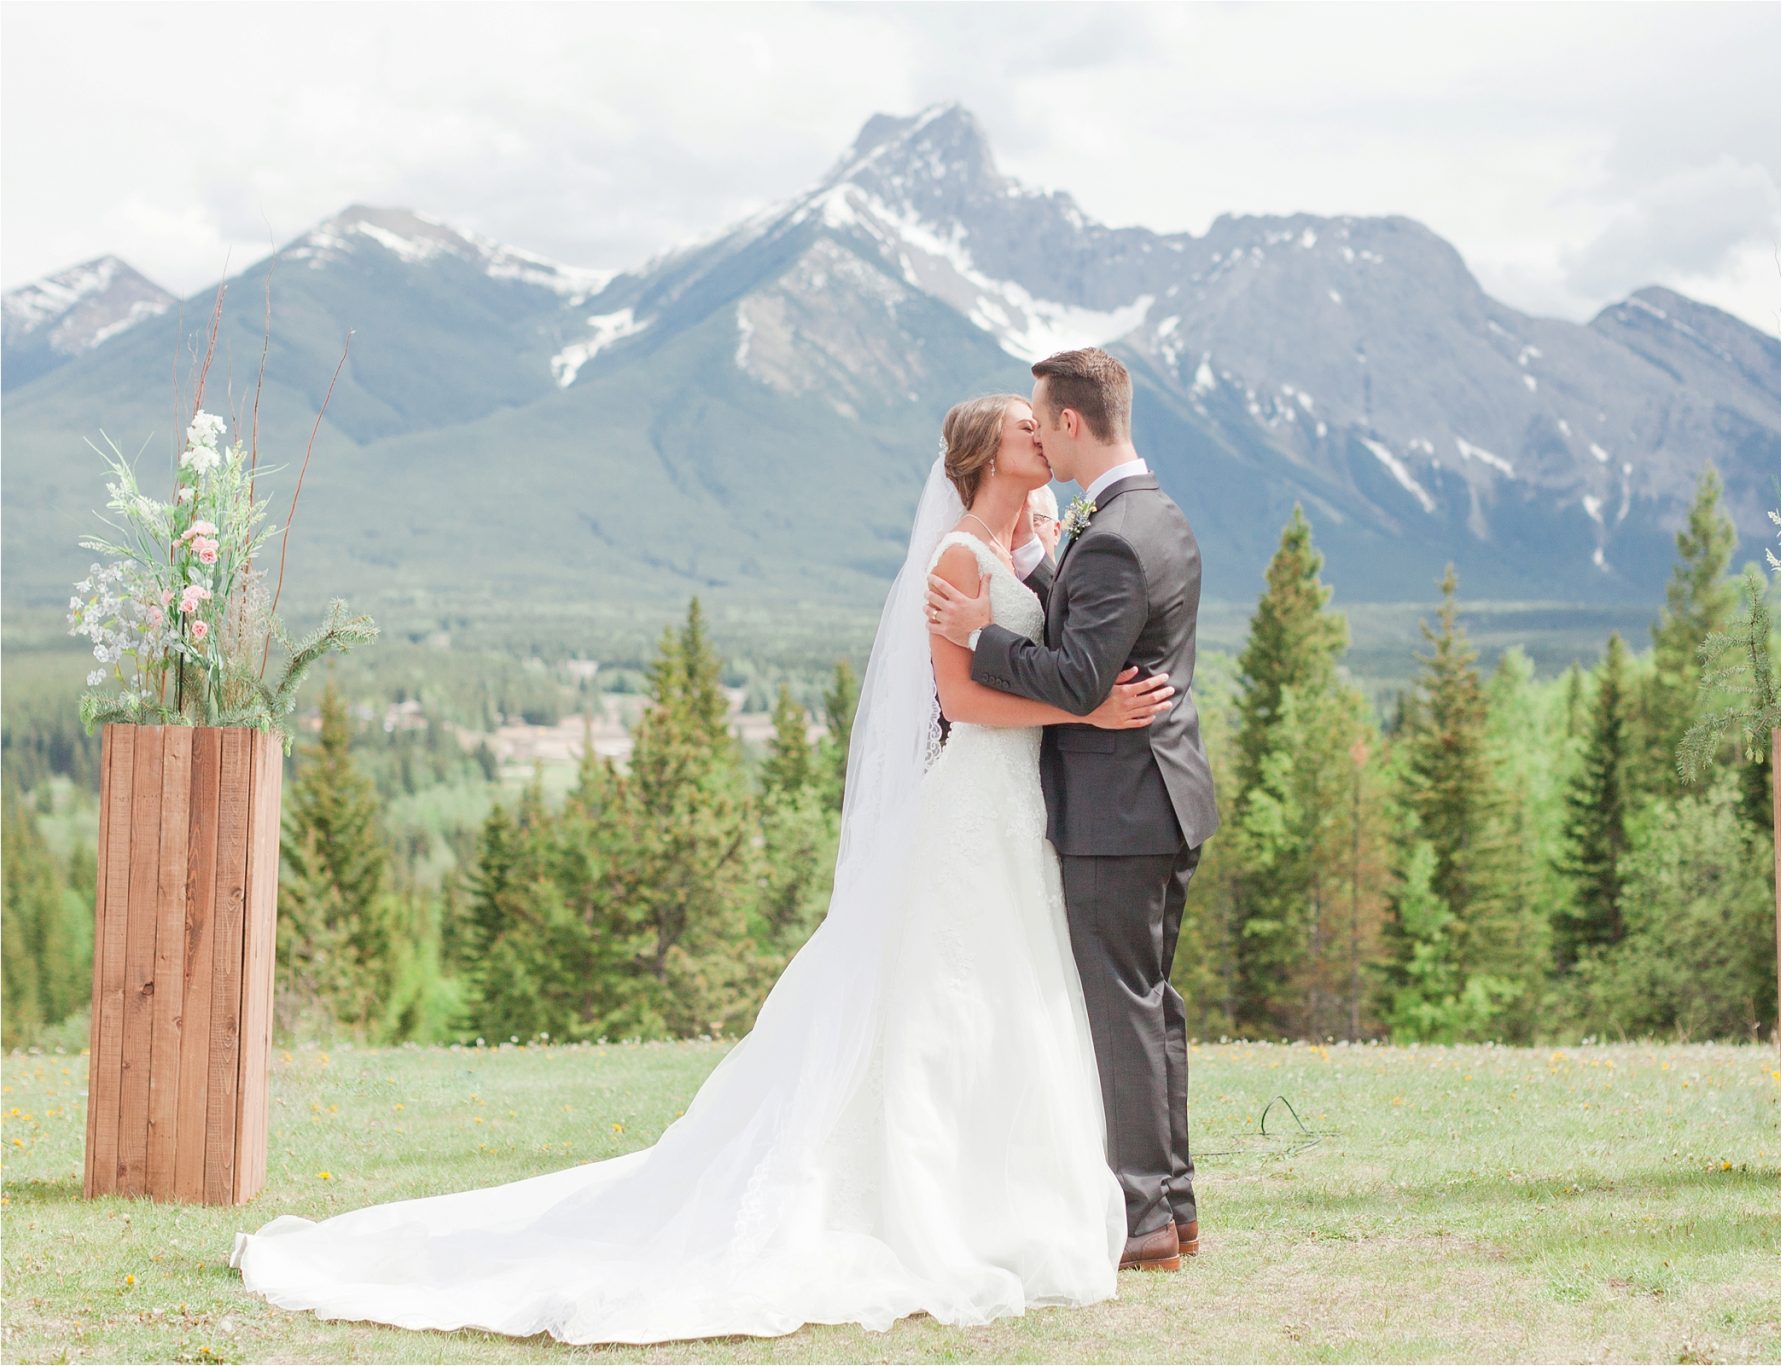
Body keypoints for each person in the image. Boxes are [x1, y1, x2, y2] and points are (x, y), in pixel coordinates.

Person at [229, 393, 1175, 1345]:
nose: (1039, 435)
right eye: (1023, 428)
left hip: (1014, 811)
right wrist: (1086, 715)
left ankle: (1002, 1200)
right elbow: (964, 700)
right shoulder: (958, 558)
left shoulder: (1020, 553)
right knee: (940, 999)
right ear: (985, 453)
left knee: (1004, 1000)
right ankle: (930, 1204)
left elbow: (1044, 642)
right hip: (972, 798)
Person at [927, 347, 1219, 1271]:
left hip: (1118, 808)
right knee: (1154, 1005)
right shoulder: (1154, 516)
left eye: (1041, 418)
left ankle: (1141, 1221)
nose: (1040, 437)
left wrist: (978, 633)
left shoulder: (1115, 534)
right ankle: (1173, 1203)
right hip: (1159, 798)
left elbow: (1083, 676)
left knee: (1123, 1011)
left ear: (1068, 423)